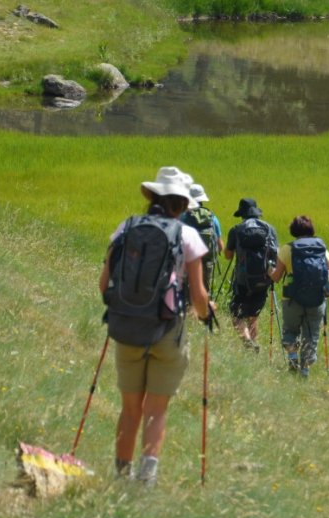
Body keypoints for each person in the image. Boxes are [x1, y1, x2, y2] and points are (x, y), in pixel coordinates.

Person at [99, 165, 215, 486]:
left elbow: (103, 284)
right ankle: (145, 481)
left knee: (130, 409)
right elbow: (199, 296)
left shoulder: (126, 228)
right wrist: (206, 314)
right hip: (167, 332)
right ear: (181, 204)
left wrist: (128, 307)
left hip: (127, 330)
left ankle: (121, 477)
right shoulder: (188, 235)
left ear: (151, 196)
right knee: (156, 410)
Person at [268, 215, 329, 378]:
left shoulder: (287, 249)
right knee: (311, 335)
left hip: (292, 299)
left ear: (293, 230)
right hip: (317, 299)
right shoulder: (322, 248)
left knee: (290, 330)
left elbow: (276, 277)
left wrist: (268, 269)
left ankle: (292, 356)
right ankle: (305, 369)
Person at [223, 197, 278, 352]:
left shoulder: (237, 229)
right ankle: (254, 344)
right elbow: (276, 254)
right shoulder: (269, 229)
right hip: (264, 277)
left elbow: (228, 256)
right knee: (253, 314)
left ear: (242, 214)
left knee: (236, 315)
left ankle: (247, 341)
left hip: (242, 280)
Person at [181, 182, 223, 295]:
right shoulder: (212, 218)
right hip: (206, 259)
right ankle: (203, 309)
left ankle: (186, 308)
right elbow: (220, 246)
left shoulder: (183, 217)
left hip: (187, 259)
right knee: (204, 289)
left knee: (184, 289)